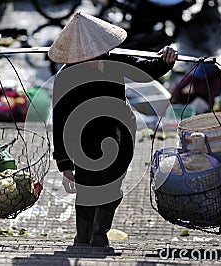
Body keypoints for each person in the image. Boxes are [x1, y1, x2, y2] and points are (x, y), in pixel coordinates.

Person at [49, 12, 177, 247]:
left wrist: (165, 60)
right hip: (83, 140)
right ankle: (82, 237)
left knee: (112, 185)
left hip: (120, 134)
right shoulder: (65, 77)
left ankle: (100, 233)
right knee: (88, 189)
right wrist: (65, 165)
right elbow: (60, 121)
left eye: (95, 50)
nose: (93, 56)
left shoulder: (115, 61)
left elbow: (147, 70)